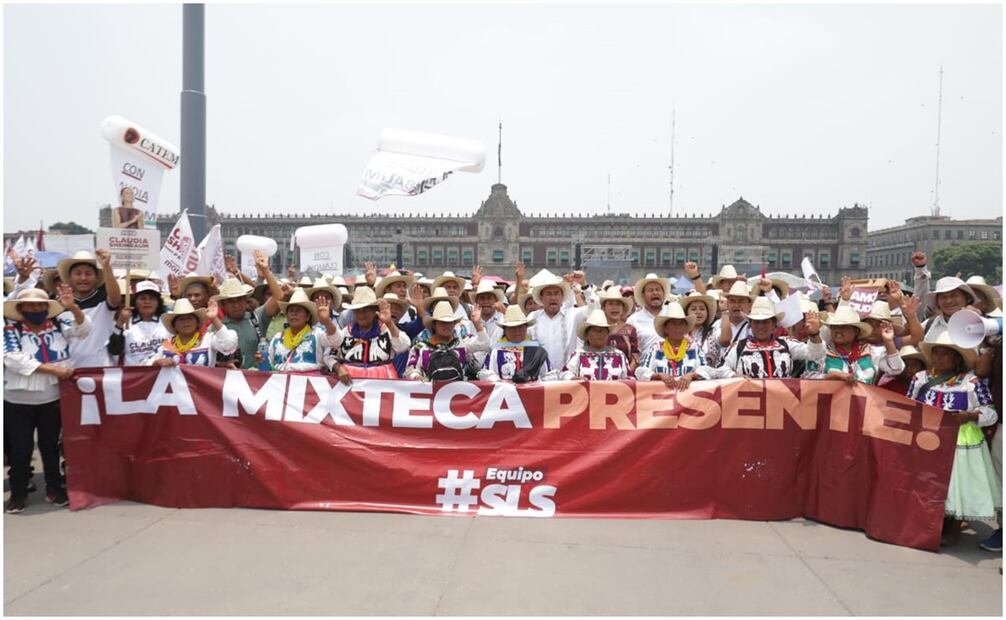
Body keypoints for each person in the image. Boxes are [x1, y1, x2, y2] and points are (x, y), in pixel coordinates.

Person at [909, 333, 1001, 547]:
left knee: (956, 484)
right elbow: (907, 404)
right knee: (927, 482)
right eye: (935, 353)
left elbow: (991, 413)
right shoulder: (920, 378)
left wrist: (970, 416)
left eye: (945, 354)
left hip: (961, 442)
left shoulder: (971, 382)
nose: (938, 358)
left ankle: (953, 529)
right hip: (926, 438)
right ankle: (929, 525)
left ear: (957, 358)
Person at [4, 286, 90, 513]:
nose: (35, 309)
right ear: (20, 308)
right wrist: (53, 370)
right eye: (30, 305)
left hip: (52, 398)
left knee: (50, 447)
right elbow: (12, 359)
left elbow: (83, 330)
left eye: (40, 304)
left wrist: (73, 308)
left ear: (47, 306)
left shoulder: (60, 323)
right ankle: (18, 493)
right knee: (21, 449)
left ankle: (54, 489)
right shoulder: (10, 329)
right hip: (18, 402)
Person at [694, 297, 825, 380]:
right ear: (750, 325)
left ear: (774, 325)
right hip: (751, 407)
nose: (761, 326)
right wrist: (735, 376)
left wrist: (814, 334)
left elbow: (815, 354)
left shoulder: (786, 344)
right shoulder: (739, 347)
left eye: (765, 322)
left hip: (783, 405)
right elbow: (720, 369)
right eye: (757, 322)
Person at [325, 287, 410, 381]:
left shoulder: (386, 331)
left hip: (383, 383)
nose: (361, 314)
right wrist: (338, 368)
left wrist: (389, 323)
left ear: (374, 311)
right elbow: (328, 356)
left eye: (366, 310)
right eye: (357, 310)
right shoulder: (346, 332)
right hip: (350, 384)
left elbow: (404, 346)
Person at [56, 249, 122, 368]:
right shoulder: (60, 305)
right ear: (70, 277)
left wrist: (106, 267)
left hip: (102, 368)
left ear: (96, 278)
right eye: (78, 273)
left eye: (88, 273)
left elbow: (115, 299)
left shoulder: (103, 298)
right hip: (70, 370)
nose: (83, 278)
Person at [404, 300, 489, 381]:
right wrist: (417, 377)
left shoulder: (462, 343)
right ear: (434, 325)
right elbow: (410, 370)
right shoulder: (420, 348)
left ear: (454, 324)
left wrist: (477, 324)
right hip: (430, 389)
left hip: (459, 389)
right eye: (442, 322)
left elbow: (485, 344)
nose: (447, 326)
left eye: (449, 322)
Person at [818, 306, 903, 385]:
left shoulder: (871, 351)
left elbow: (896, 369)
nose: (838, 331)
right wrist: (829, 376)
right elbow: (811, 378)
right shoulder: (822, 352)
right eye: (835, 327)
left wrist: (889, 341)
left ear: (856, 331)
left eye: (844, 327)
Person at [527, 274, 594, 371]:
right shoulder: (532, 317)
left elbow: (594, 310)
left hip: (568, 376)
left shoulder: (573, 315)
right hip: (540, 376)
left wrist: (585, 285)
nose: (553, 298)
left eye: (556, 293)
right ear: (541, 297)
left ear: (562, 297)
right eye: (549, 294)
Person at [264, 288, 341, 372]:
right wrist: (262, 360)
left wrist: (327, 321)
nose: (294, 313)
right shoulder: (278, 337)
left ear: (307, 316)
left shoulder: (317, 334)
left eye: (298, 310)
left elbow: (336, 342)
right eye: (291, 311)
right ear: (286, 316)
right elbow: (268, 365)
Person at [148, 298, 237, 367]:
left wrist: (214, 318)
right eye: (181, 319)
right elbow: (147, 366)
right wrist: (157, 363)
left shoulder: (208, 339)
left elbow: (228, 345)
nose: (186, 322)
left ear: (197, 322)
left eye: (190, 318)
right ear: (174, 325)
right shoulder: (167, 345)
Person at [478, 305, 554, 383]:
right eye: (512, 327)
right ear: (505, 330)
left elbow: (548, 376)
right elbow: (487, 375)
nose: (517, 331)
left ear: (526, 328)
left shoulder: (537, 351)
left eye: (520, 327)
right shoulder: (496, 352)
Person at [635, 302, 704, 387]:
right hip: (662, 394)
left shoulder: (694, 347)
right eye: (673, 323)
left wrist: (692, 375)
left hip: (689, 393)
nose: (677, 327)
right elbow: (642, 372)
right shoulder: (656, 348)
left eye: (681, 324)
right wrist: (659, 375)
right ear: (665, 328)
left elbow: (707, 371)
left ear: (685, 328)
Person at [107, 281, 169, 366]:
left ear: (158, 302)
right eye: (142, 298)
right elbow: (114, 351)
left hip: (162, 372)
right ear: (135, 302)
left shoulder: (167, 321)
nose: (147, 302)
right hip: (134, 373)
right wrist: (120, 323)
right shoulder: (126, 322)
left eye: (152, 298)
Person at [562, 309, 631, 381]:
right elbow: (565, 373)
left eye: (602, 330)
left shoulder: (619, 355)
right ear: (587, 335)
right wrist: (573, 378)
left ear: (608, 334)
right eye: (595, 330)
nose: (599, 334)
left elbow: (630, 377)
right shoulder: (578, 354)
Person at [627, 273, 671, 354]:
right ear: (643, 295)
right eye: (650, 290)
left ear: (663, 293)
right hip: (644, 361)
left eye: (658, 289)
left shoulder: (672, 313)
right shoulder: (633, 320)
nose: (655, 293)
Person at [597, 286, 639, 370]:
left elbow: (635, 356)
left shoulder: (630, 330)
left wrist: (627, 373)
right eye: (611, 304)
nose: (615, 307)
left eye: (618, 304)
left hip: (626, 375)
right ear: (604, 308)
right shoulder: (596, 329)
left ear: (623, 308)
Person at [711, 280, 755, 350]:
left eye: (741, 301)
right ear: (727, 303)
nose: (736, 305)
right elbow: (724, 341)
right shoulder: (718, 324)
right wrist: (725, 312)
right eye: (732, 301)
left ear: (749, 305)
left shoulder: (754, 325)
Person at [681, 291, 721, 367]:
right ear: (686, 313)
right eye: (693, 309)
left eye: (702, 309)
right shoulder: (679, 335)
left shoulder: (714, 333)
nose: (698, 312)